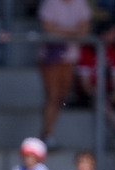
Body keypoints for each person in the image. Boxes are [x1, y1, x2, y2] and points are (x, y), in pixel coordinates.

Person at [37, 0, 92, 147]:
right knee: (53, 96)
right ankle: (46, 134)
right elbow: (47, 28)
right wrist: (72, 32)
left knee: (62, 96)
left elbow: (84, 31)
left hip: (70, 58)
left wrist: (59, 31)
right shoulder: (50, 3)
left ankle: (47, 133)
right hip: (50, 57)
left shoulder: (81, 4)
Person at [76, 22, 115, 147]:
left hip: (107, 93)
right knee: (102, 104)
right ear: (103, 34)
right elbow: (85, 85)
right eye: (113, 32)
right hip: (89, 95)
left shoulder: (114, 52)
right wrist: (103, 95)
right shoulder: (86, 51)